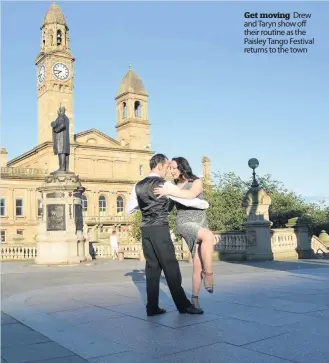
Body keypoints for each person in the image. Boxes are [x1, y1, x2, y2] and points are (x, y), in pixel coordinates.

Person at [126, 153, 209, 316]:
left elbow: (130, 209)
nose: (167, 171)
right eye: (166, 167)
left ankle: (152, 307)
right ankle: (184, 306)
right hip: (160, 229)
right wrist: (203, 203)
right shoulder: (164, 184)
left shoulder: (137, 185)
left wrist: (146, 204)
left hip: (146, 230)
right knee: (171, 268)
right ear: (158, 166)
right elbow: (186, 200)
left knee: (152, 269)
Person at [153, 157, 215, 313]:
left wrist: (171, 192)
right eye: (170, 168)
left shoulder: (196, 181)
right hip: (184, 223)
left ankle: (194, 300)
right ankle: (209, 274)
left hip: (201, 222)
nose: (171, 171)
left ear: (182, 167)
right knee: (208, 236)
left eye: (174, 168)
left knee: (197, 264)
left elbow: (191, 195)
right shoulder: (173, 187)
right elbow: (167, 208)